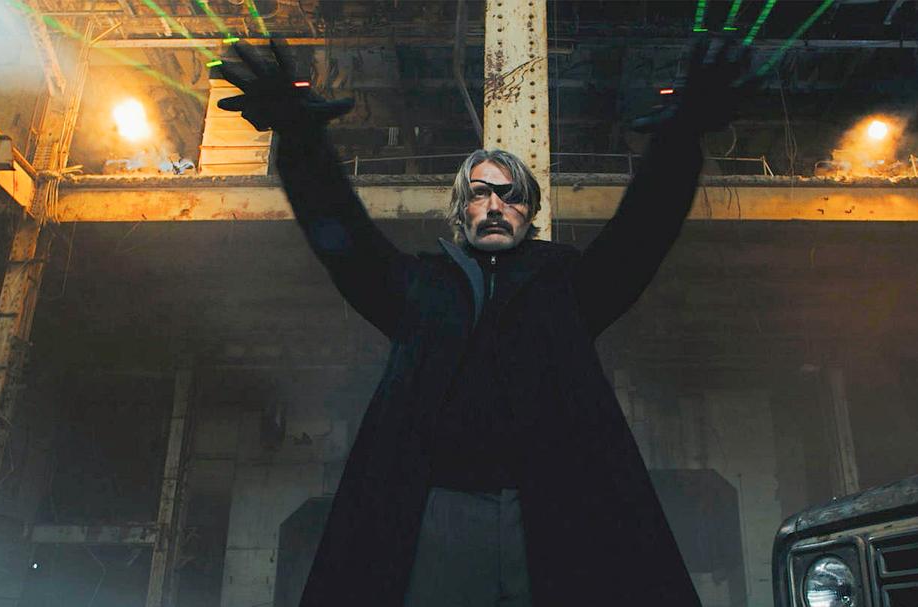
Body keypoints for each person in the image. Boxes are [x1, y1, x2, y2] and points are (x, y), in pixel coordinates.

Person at [217, 38, 753, 607]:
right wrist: (299, 137)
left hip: (554, 515)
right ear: (461, 212)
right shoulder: (419, 289)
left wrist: (680, 138)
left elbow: (643, 233)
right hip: (441, 513)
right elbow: (341, 237)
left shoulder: (568, 287)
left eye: (510, 195)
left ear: (530, 212)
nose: (495, 206)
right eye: (480, 194)